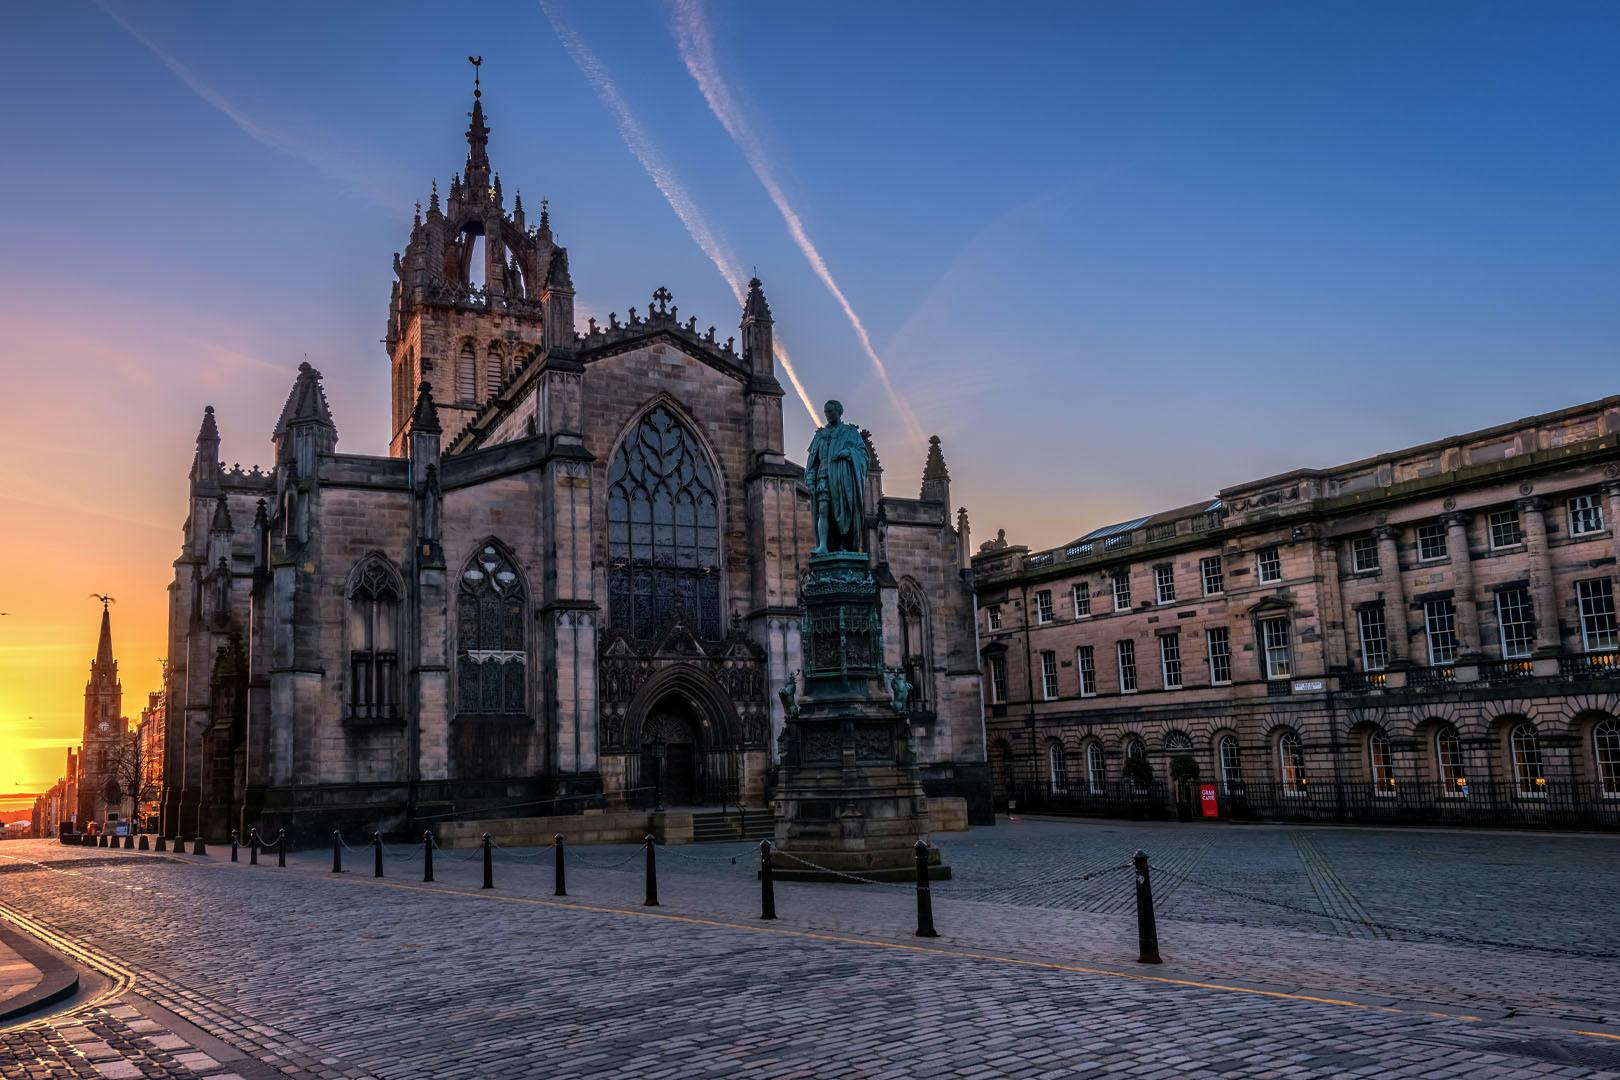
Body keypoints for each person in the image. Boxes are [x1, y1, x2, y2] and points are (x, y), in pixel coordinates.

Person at [804, 399, 869, 554]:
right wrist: (810, 479)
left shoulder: (850, 432)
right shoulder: (820, 435)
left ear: (839, 412)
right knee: (823, 510)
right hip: (823, 477)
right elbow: (812, 462)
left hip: (842, 480)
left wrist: (849, 453)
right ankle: (823, 546)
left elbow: (863, 454)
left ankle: (843, 544)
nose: (828, 414)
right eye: (826, 411)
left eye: (830, 411)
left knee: (842, 512)